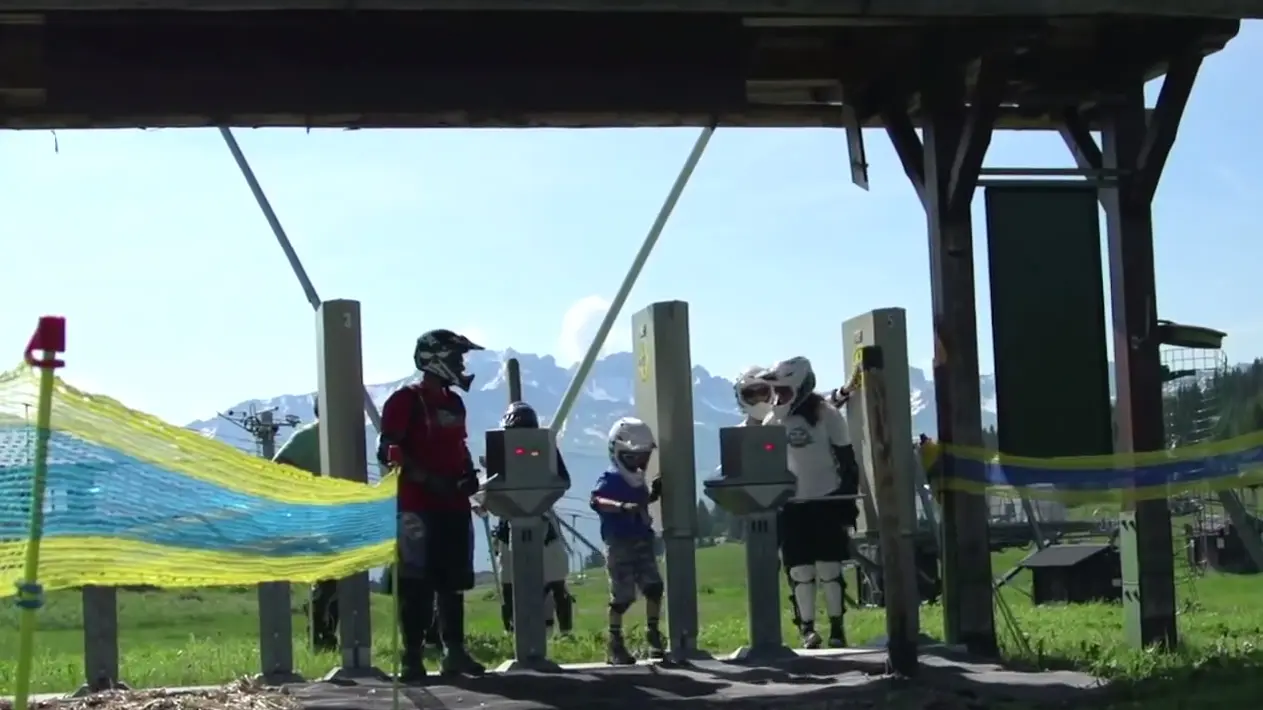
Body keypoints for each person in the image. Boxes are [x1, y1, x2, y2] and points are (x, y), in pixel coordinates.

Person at [377, 329, 487, 681]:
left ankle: (454, 651)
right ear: (435, 359)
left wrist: (469, 473)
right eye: (456, 357)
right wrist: (426, 478)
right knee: (416, 584)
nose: (461, 364)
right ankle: (411, 656)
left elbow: (460, 445)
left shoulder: (454, 403)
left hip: (454, 505)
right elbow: (388, 450)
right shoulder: (406, 400)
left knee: (453, 583)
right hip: (416, 507)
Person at [760, 356, 860, 649]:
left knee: (830, 568)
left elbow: (846, 459)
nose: (779, 397)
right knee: (800, 571)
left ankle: (837, 628)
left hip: (826, 500)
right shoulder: (772, 420)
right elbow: (766, 464)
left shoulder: (828, 415)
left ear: (802, 387)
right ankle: (806, 629)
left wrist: (847, 500)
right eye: (776, 391)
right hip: (791, 506)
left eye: (785, 390)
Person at [491, 401, 576, 637]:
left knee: (555, 583)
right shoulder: (534, 445)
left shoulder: (543, 446)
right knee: (510, 585)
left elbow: (562, 480)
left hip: (543, 525)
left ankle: (561, 633)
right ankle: (514, 634)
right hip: (512, 526)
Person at [589, 417, 665, 665]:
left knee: (654, 587)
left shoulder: (639, 481)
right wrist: (621, 506)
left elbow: (639, 505)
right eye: (633, 458)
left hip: (642, 539)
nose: (639, 463)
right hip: (619, 542)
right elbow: (597, 500)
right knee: (622, 596)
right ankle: (615, 643)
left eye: (642, 457)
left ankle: (653, 634)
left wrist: (652, 496)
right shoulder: (610, 478)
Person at [273, 398, 339, 653]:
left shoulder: (342, 438)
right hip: (313, 517)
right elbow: (279, 467)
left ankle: (326, 632)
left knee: (339, 579)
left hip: (337, 515)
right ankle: (320, 631)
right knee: (329, 578)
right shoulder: (308, 437)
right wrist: (309, 488)